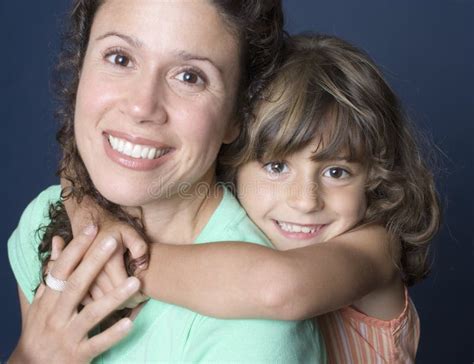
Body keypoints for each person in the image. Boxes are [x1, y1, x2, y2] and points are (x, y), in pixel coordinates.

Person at [64, 34, 441, 363]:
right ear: (233, 164)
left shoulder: (375, 250)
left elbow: (279, 289)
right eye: (276, 168)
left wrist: (116, 259)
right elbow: (71, 171)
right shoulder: (232, 227)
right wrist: (92, 216)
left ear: (375, 177)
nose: (305, 201)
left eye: (336, 172)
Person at [8, 0, 327, 362]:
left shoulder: (255, 332)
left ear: (237, 115)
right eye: (120, 58)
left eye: (190, 76)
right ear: (80, 65)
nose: (142, 106)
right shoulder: (47, 218)